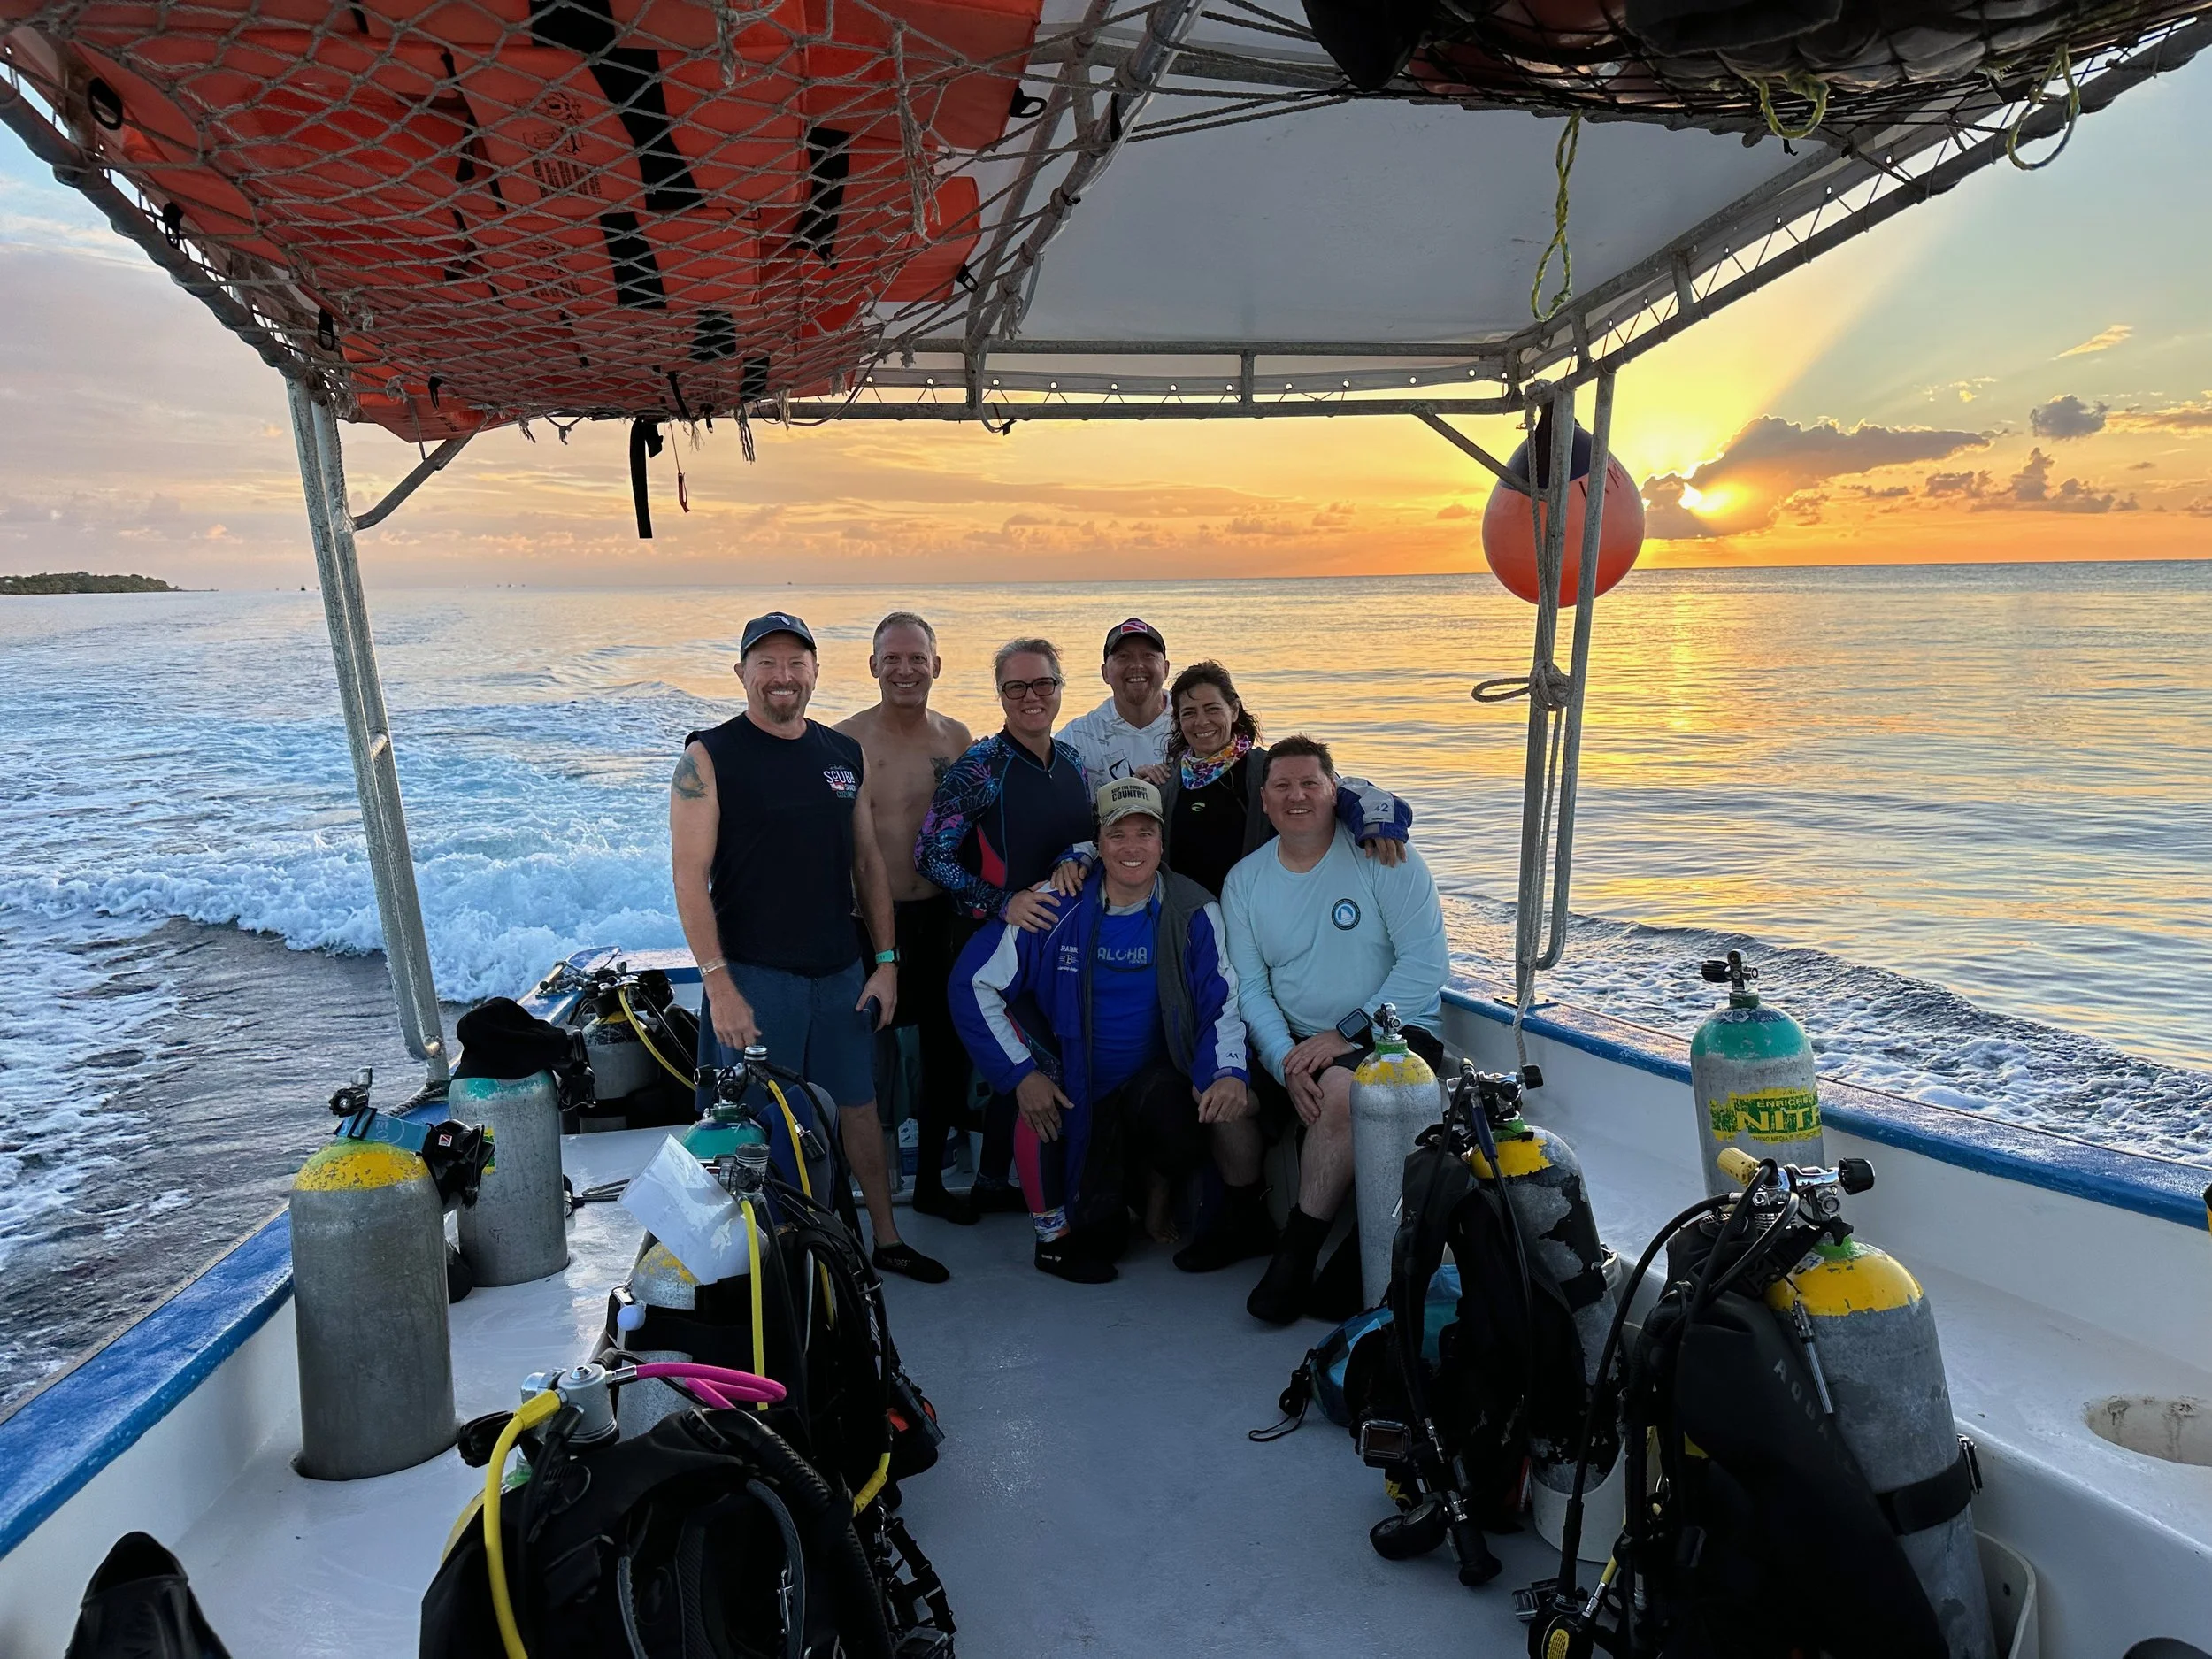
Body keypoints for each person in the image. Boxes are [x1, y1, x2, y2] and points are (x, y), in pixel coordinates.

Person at [671, 611, 949, 1285]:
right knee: (747, 1121)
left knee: (859, 1108)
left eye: (796, 662)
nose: (782, 676)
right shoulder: (708, 756)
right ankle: (747, 1263)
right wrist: (719, 985)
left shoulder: (839, 754)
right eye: (766, 663)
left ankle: (883, 1239)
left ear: (817, 672)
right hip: (755, 977)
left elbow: (868, 864)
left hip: (839, 973)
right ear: (742, 673)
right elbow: (687, 876)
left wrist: (885, 964)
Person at [947, 778, 1256, 1283]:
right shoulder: (1054, 903)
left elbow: (1221, 1002)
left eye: (1144, 834)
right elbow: (972, 984)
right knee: (1103, 1241)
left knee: (1186, 1126)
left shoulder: (1194, 910)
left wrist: (1226, 1073)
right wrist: (1021, 1074)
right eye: (1117, 835)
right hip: (1077, 1084)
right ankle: (1052, 1238)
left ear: (1162, 841)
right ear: (1098, 843)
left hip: (1150, 1080)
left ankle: (1152, 1188)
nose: (1132, 848)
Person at [1221, 733, 1449, 1325]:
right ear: (1265, 801)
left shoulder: (1383, 855)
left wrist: (1346, 1035)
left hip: (1395, 1034)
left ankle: (1294, 1257)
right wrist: (1285, 1059)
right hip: (1296, 1042)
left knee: (1347, 1090)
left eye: (1310, 784)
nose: (1297, 796)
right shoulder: (1245, 882)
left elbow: (1426, 964)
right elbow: (1252, 989)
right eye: (1282, 786)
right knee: (1220, 1087)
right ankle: (1239, 1218)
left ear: (1334, 791)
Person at [914, 637, 1098, 1210]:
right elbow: (929, 853)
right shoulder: (981, 766)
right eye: (1016, 686)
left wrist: (1080, 854)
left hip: (1058, 947)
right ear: (1000, 694)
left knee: (1062, 1055)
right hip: (988, 946)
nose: (1031, 696)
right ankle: (1049, 1221)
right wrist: (1002, 902)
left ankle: (997, 1182)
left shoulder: (1073, 764)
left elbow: (1089, 837)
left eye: (1042, 683)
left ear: (1060, 688)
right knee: (1036, 1064)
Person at [833, 612, 978, 1226]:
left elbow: (981, 828)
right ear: (872, 666)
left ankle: (928, 1185)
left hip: (940, 914)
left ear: (937, 665)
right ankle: (867, 1178)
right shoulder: (843, 742)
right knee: (866, 1054)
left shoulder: (958, 738)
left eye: (917, 657)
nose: (905, 669)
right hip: (868, 918)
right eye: (891, 658)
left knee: (946, 1051)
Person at [1157, 659, 1413, 899]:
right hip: (1190, 924)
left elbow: (1337, 790)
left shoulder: (1268, 768)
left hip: (1256, 912)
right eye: (1189, 713)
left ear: (1234, 710)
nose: (1201, 721)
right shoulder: (1170, 782)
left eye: (1212, 709)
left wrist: (1377, 823)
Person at [1058, 617, 1173, 785]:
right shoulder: (1075, 739)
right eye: (1123, 657)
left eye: (1148, 656)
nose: (1136, 665)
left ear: (1165, 669)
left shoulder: (1192, 725)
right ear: (1105, 673)